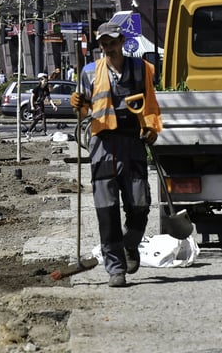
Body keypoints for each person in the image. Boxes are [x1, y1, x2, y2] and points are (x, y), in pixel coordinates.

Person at [70, 22, 162, 288]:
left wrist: (152, 129)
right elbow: (84, 111)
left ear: (121, 41)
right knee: (106, 210)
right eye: (104, 43)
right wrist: (76, 104)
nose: (108, 47)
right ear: (100, 46)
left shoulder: (140, 68)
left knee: (140, 204)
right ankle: (115, 269)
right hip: (102, 146)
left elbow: (150, 104)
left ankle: (130, 244)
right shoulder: (89, 72)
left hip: (132, 143)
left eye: (112, 42)